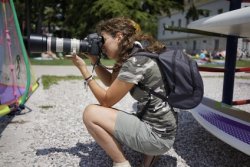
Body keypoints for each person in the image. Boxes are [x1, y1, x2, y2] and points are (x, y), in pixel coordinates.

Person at [69, 17, 177, 167]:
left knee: (90, 113)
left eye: (104, 40)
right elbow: (110, 82)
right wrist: (95, 60)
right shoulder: (136, 53)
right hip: (163, 130)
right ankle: (151, 153)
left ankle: (121, 162)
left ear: (119, 37)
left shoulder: (134, 62)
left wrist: (84, 71)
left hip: (157, 136)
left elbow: (106, 101)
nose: (102, 45)